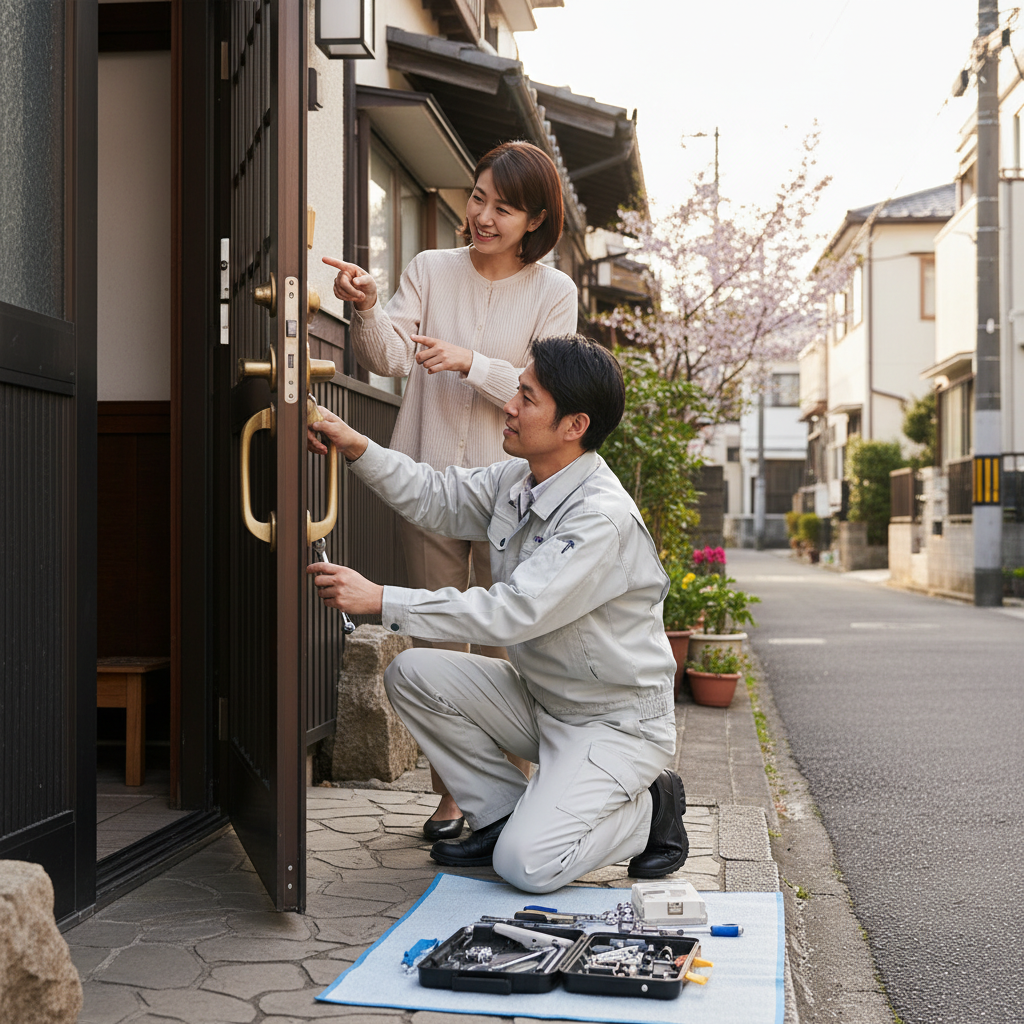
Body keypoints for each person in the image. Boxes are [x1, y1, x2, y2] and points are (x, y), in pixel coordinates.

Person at [306, 335, 688, 894]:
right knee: (411, 673)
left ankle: (651, 811)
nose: (508, 406)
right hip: (544, 701)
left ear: (574, 425)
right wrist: (355, 445)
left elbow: (512, 612)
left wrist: (382, 600)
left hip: (614, 724)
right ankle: (502, 816)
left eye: (527, 398)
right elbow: (433, 496)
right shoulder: (519, 480)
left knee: (527, 867)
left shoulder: (599, 519)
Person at [321, 141, 577, 844]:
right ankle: (452, 797)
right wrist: (368, 308)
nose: (484, 216)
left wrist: (471, 362)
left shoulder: (555, 292)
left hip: (514, 491)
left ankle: (510, 799)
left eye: (504, 208)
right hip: (429, 481)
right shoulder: (431, 269)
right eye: (478, 198)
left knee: (506, 649)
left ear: (535, 219)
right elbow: (389, 355)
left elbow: (547, 389)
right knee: (436, 647)